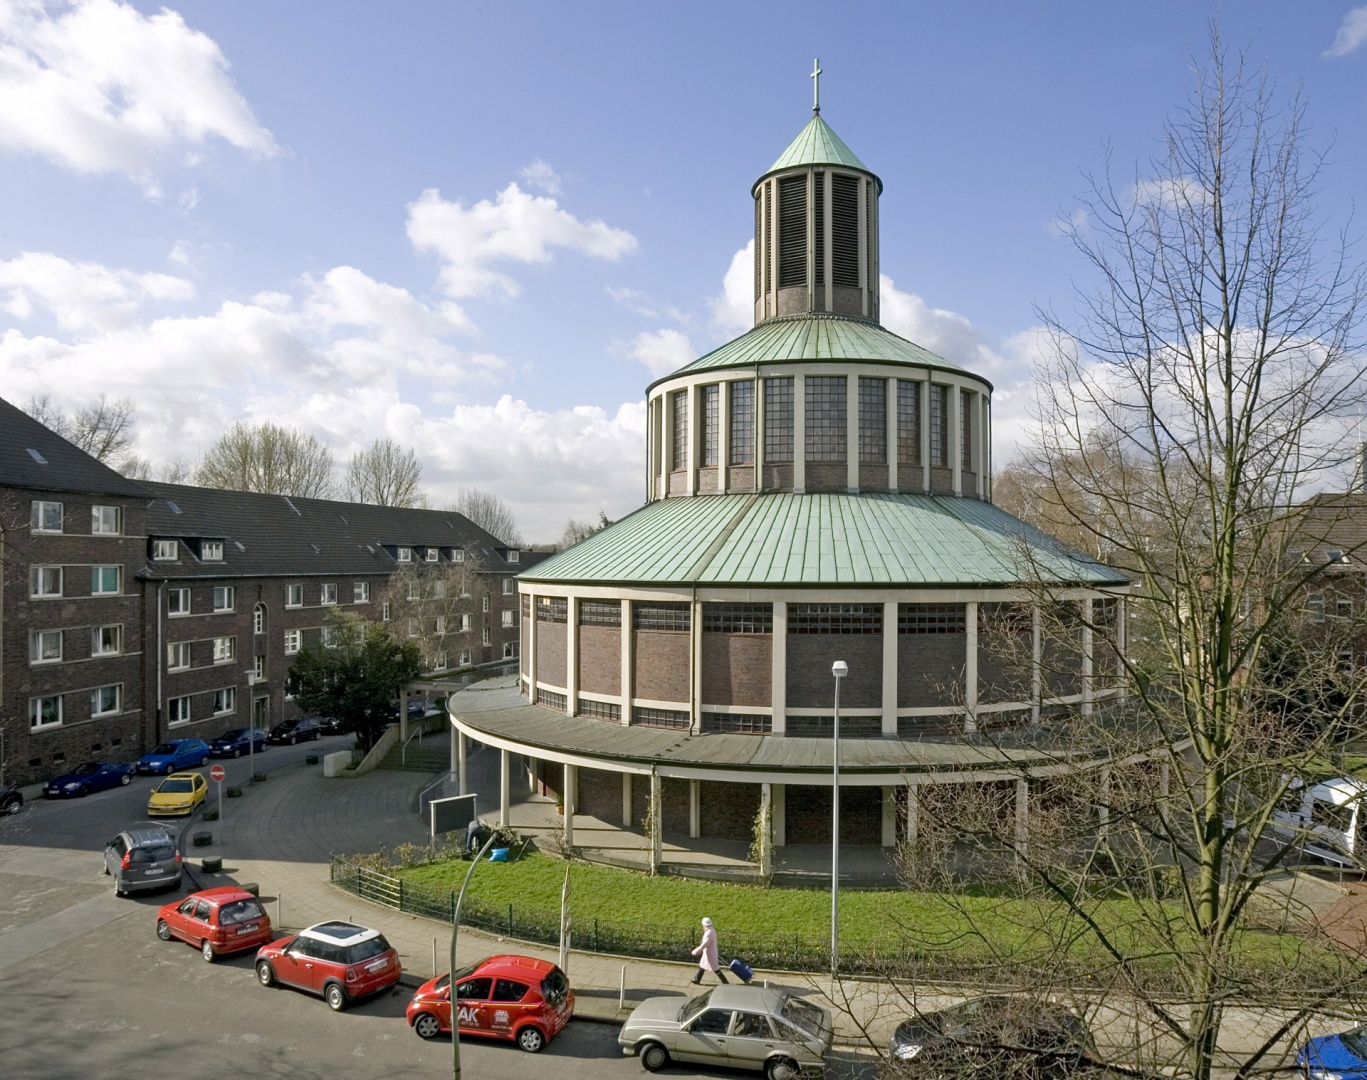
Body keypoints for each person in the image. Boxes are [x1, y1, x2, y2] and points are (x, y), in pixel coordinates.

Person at [690, 917, 728, 984]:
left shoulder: (708, 933)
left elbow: (703, 945)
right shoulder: (711, 930)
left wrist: (694, 952)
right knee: (702, 965)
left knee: (715, 968)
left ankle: (725, 982)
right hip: (708, 953)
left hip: (710, 954)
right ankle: (697, 979)